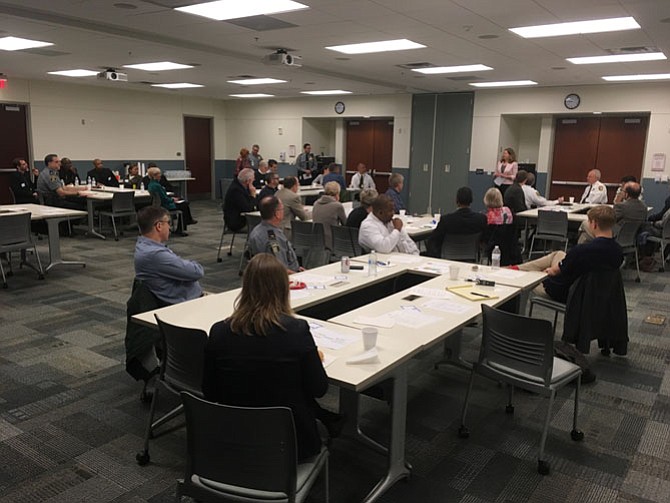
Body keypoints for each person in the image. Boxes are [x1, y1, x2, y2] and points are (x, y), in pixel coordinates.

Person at [203, 253, 342, 461]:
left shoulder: (219, 331)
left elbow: (209, 390)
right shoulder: (296, 331)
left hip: (231, 436)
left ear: (245, 288)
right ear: (283, 289)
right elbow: (319, 389)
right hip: (291, 443)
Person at [518, 206, 623, 303]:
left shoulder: (581, 251)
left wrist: (549, 271)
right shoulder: (618, 252)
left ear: (594, 224)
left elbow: (556, 272)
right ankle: (517, 268)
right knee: (558, 254)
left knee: (527, 277)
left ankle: (514, 271)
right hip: (595, 295)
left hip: (565, 293)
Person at [134, 206, 203, 304]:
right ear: (159, 226)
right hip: (184, 303)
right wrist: (188, 263)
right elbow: (197, 272)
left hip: (183, 297)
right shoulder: (155, 254)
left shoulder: (143, 245)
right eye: (168, 223)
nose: (170, 227)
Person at [426, 186, 487, 258]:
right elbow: (484, 239)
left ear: (456, 201)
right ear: (471, 201)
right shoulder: (481, 219)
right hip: (471, 257)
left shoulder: (446, 220)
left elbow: (434, 240)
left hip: (447, 257)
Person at [578, 181, 646, 244]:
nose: (621, 192)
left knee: (585, 223)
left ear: (626, 194)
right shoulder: (643, 207)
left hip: (613, 236)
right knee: (584, 236)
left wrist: (618, 200)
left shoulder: (621, 206)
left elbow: (609, 220)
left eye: (622, 191)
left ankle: (578, 251)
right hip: (631, 238)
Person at [248, 196, 301, 273]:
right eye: (282, 209)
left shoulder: (256, 231)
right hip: (283, 279)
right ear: (277, 214)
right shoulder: (273, 239)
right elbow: (280, 269)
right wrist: (299, 275)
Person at [146, 166, 196, 236]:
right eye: (159, 174)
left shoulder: (151, 185)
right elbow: (164, 199)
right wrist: (172, 199)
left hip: (160, 204)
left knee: (184, 204)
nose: (160, 175)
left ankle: (187, 222)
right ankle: (183, 226)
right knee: (184, 205)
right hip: (165, 205)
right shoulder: (157, 185)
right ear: (155, 175)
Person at [482, 187, 518, 265]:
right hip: (510, 246)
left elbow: (485, 236)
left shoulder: (487, 216)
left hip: (493, 247)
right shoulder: (509, 212)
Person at [312, 181, 347, 249]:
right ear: (337, 194)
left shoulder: (316, 203)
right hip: (331, 242)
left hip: (317, 241)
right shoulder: (337, 206)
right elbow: (345, 224)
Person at [223, 167, 257, 232]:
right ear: (248, 181)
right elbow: (248, 208)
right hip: (236, 223)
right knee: (262, 227)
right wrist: (253, 196)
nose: (254, 180)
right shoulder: (236, 190)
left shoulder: (240, 186)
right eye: (253, 179)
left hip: (241, 218)